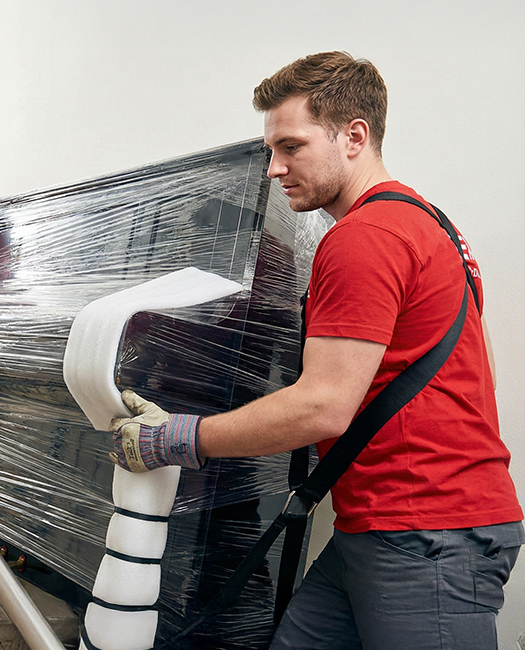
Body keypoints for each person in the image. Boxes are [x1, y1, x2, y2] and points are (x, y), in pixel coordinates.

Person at [110, 52, 523, 648]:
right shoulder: (433, 225)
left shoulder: (362, 239)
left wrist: (178, 438)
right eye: (271, 151)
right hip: (381, 523)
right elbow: (471, 358)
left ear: (354, 136)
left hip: (425, 528)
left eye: (292, 147)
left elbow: (322, 407)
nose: (274, 169)